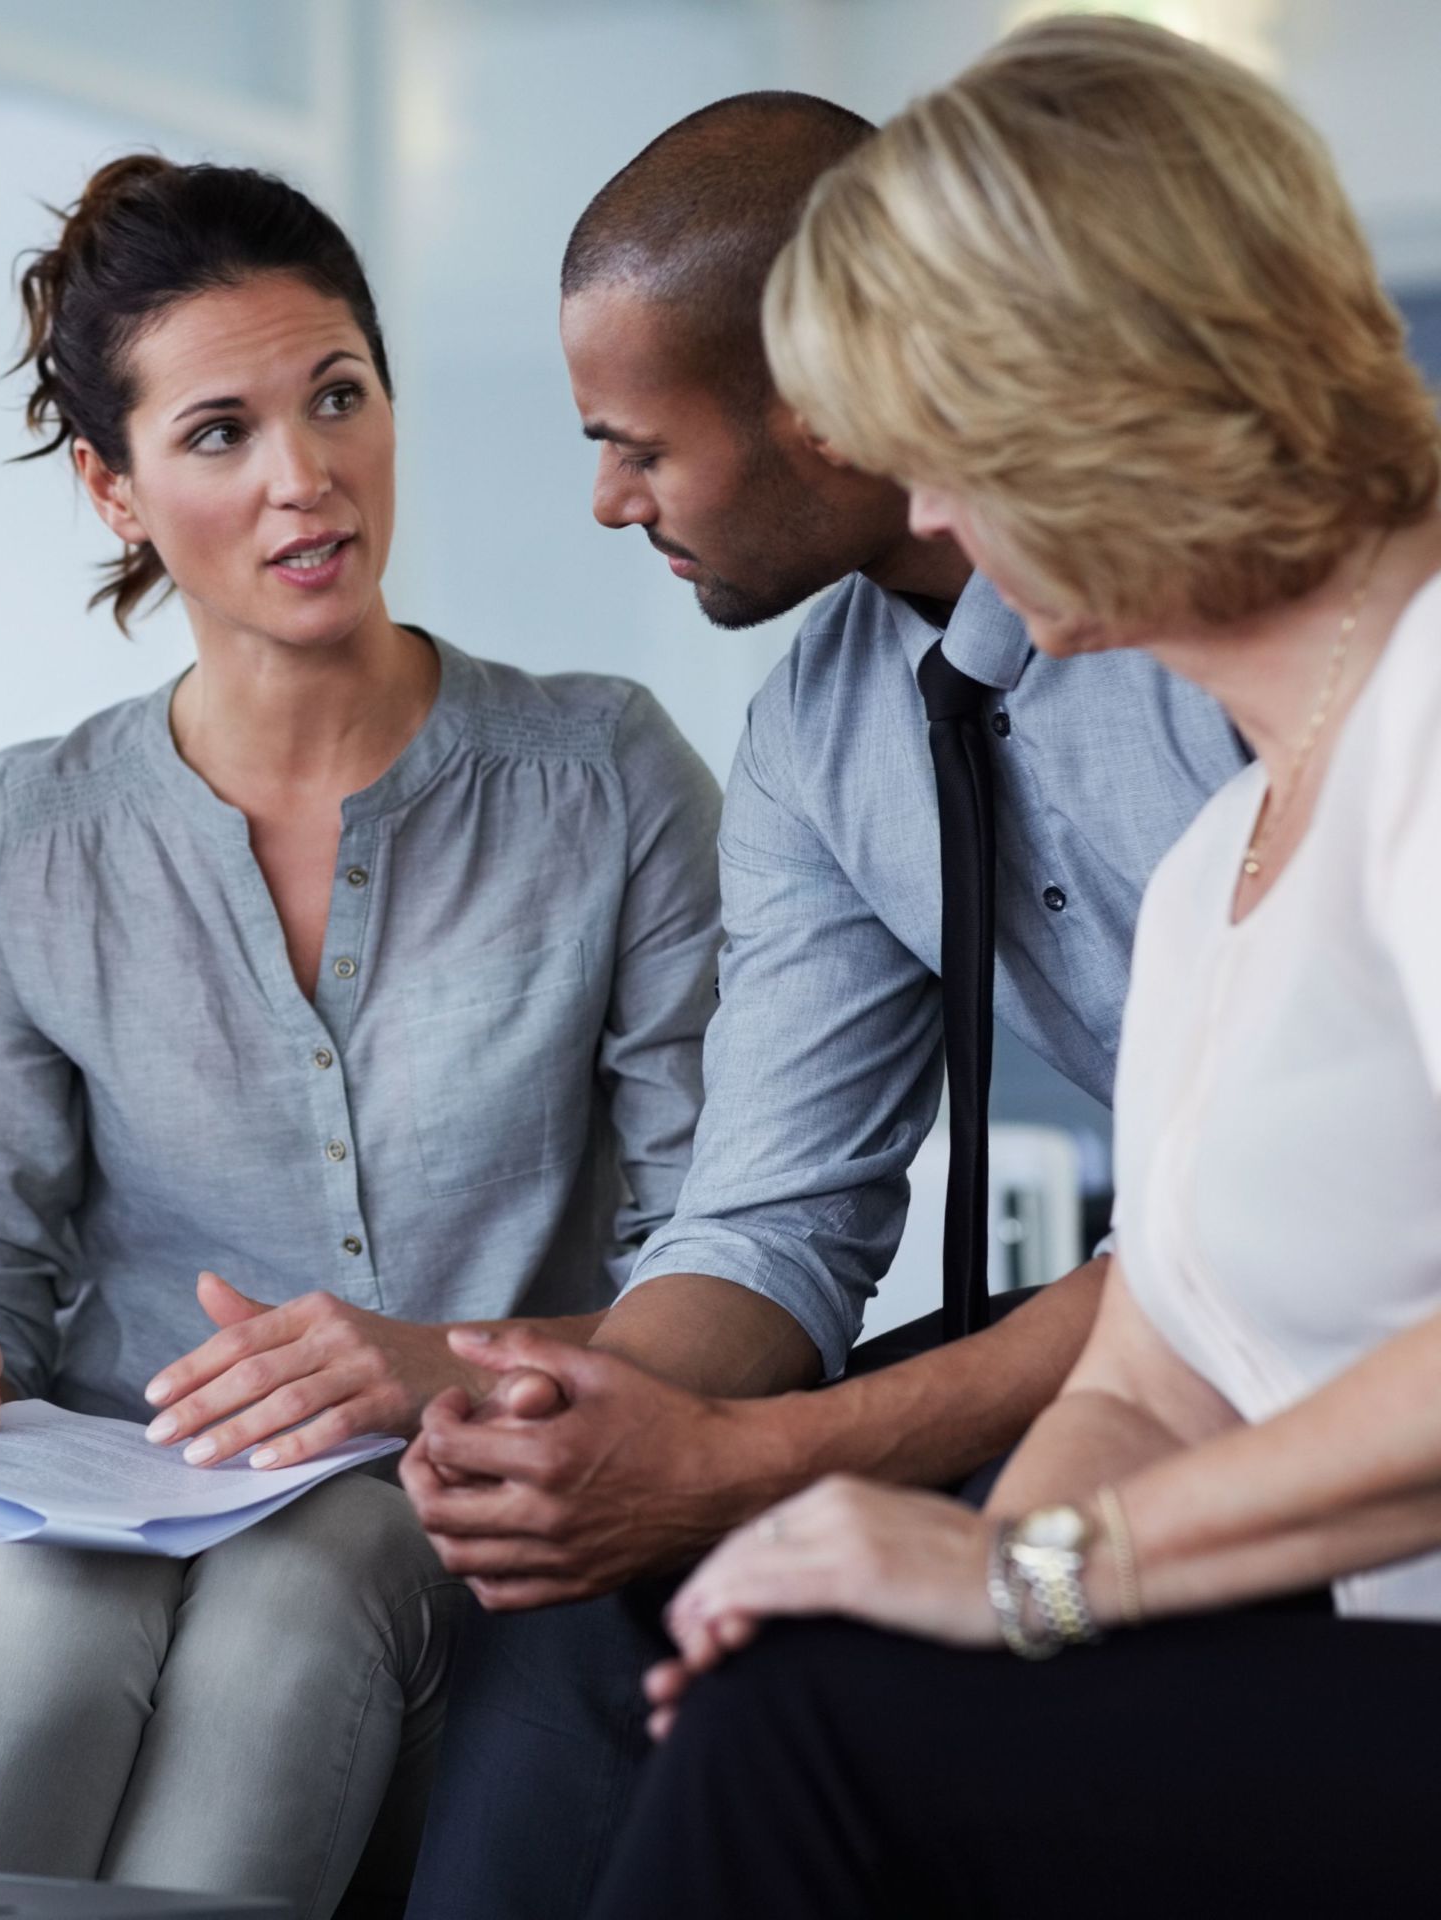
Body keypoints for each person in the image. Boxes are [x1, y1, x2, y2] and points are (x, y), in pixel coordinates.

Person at [587, 19, 1441, 1915]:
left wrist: (1024, 1582)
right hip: (1377, 1673)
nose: (937, 519)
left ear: (1108, 401)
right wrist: (929, 1601)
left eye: (951, 447)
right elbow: (1150, 1382)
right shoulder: (1230, 854)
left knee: (803, 1744)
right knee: (796, 1685)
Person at [0, 155, 723, 1918]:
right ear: (115, 487)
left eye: (337, 398)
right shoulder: (33, 833)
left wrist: (435, 1364)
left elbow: (724, 1253)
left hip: (453, 1519)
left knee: (301, 1583)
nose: (305, 478)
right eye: (221, 433)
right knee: (32, 1605)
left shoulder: (604, 778)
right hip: (112, 1506)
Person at [399, 91, 1253, 1915]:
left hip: (1291, 1332)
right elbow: (779, 1211)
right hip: (1165, 1326)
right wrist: (584, 1421)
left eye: (638, 444)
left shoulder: (1237, 658)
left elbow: (1256, 1253)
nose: (607, 502)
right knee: (584, 1618)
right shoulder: (816, 727)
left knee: (796, 1658)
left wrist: (755, 1469)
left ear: (828, 390)